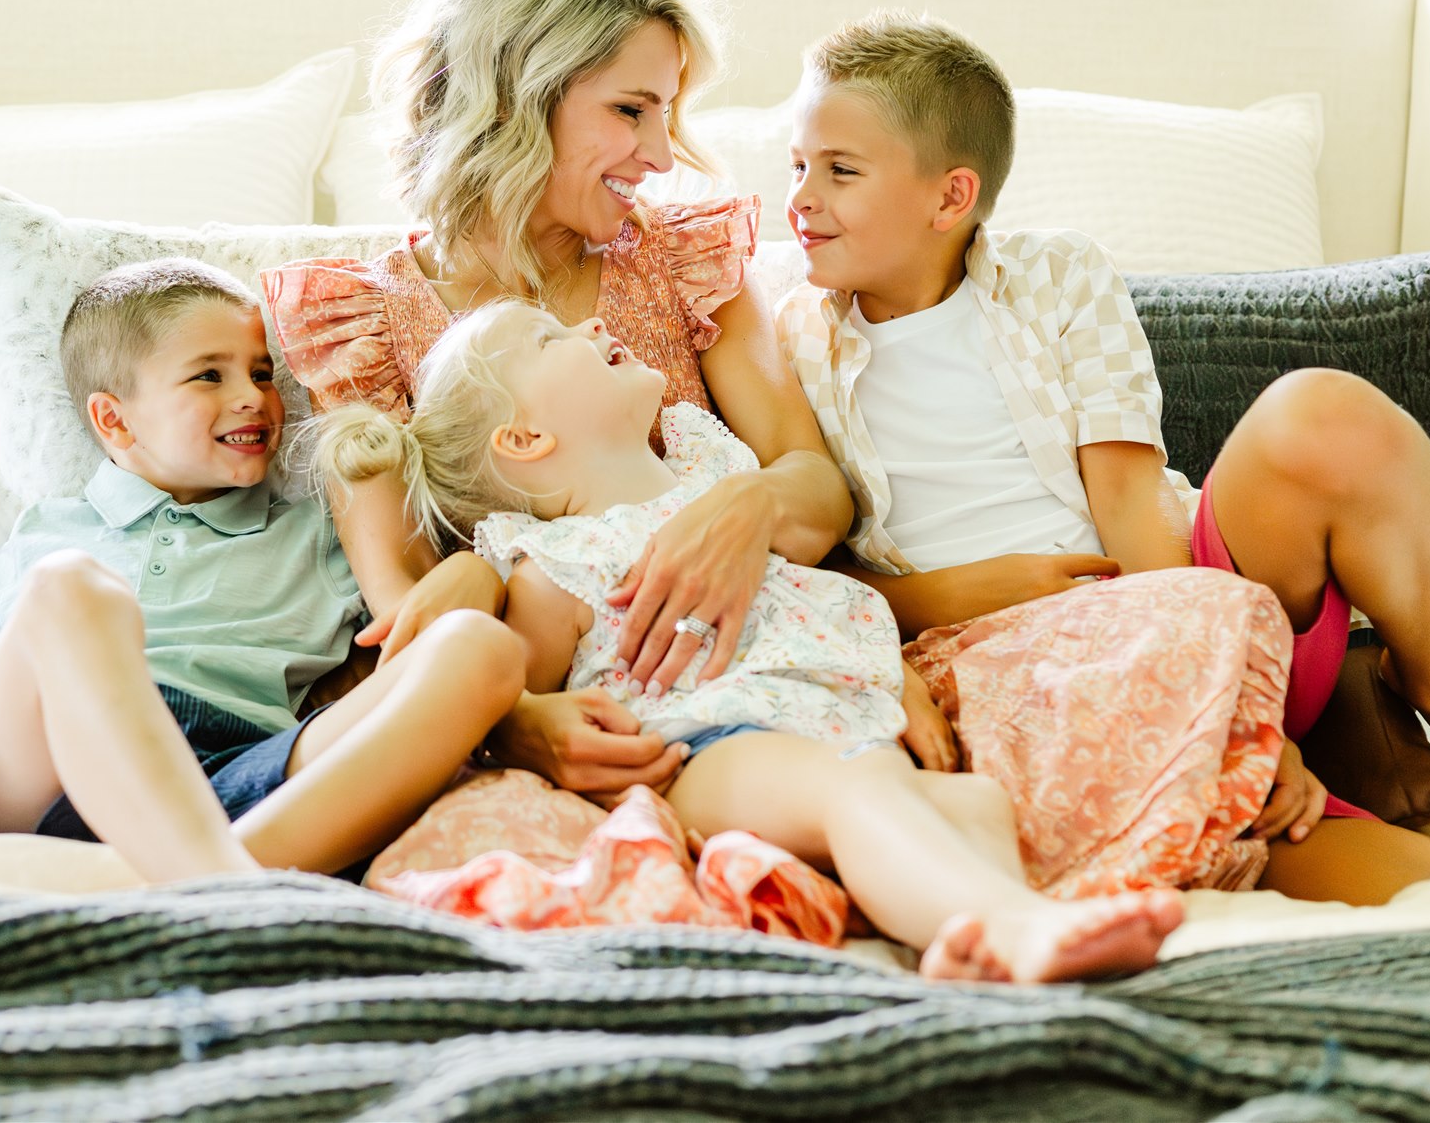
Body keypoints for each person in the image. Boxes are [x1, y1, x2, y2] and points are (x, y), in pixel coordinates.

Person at [774, 11, 1430, 904]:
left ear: (949, 197)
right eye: (797, 166)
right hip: (1013, 671)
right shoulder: (789, 341)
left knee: (1323, 412)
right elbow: (813, 572)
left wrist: (1215, 682)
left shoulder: (1058, 277)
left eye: (839, 170)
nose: (802, 196)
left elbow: (1130, 500)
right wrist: (953, 596)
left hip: (1175, 588)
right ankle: (1246, 817)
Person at [305, 300, 1193, 981]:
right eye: (549, 340)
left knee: (974, 805)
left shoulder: (717, 469)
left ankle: (972, 947)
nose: (585, 322)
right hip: (714, 742)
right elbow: (510, 701)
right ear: (526, 438)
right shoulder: (553, 560)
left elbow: (814, 588)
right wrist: (540, 712)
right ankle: (1015, 925)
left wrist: (893, 680)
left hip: (844, 714)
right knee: (855, 795)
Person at [264, 0, 853, 802]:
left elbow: (818, 486)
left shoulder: (684, 266)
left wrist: (745, 506)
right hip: (544, 720)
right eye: (630, 109)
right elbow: (407, 614)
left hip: (753, 689)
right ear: (511, 99)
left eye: (666, 112)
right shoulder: (364, 327)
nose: (660, 155)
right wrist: (520, 728)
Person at [0, 258, 525, 883]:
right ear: (115, 420)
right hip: (39, 778)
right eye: (209, 374)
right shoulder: (51, 535)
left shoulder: (317, 532)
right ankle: (222, 887)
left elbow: (420, 615)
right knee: (70, 588)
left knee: (482, 650)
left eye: (261, 371)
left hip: (232, 778)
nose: (254, 395)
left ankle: (177, 878)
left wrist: (481, 578)